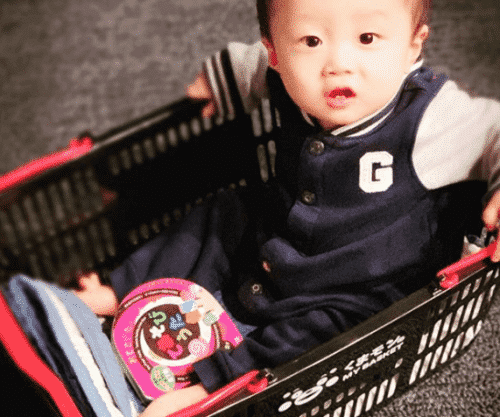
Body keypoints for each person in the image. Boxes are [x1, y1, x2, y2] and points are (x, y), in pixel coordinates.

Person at [74, 0, 500, 414]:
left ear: (413, 44)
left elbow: (494, 129)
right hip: (276, 237)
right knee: (223, 213)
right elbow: (252, 65)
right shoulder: (282, 73)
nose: (338, 63)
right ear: (276, 52)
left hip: (357, 284)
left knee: (324, 336)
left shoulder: (431, 116)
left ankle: (215, 384)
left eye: (367, 37)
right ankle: (122, 289)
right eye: (311, 41)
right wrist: (220, 77)